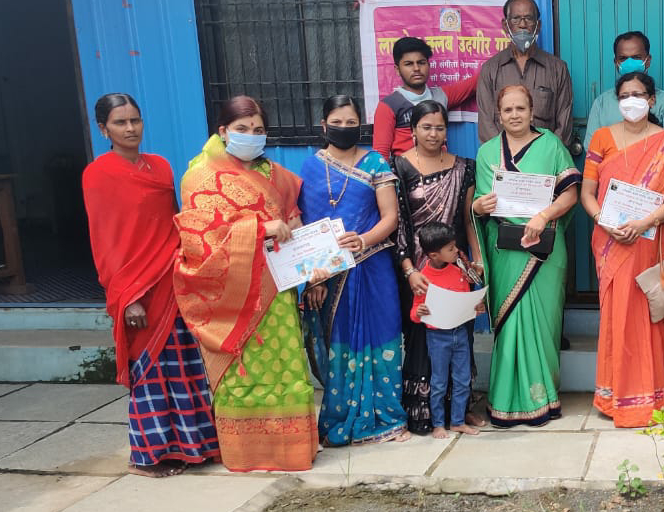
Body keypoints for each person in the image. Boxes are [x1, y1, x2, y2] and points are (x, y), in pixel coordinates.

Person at [173, 95, 319, 472]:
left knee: (286, 365)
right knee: (244, 369)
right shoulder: (200, 176)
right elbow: (199, 239)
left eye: (258, 130)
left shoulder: (275, 175)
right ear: (223, 131)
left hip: (277, 287)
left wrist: (308, 251)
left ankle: (290, 450)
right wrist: (259, 228)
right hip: (234, 296)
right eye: (242, 129)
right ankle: (246, 451)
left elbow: (293, 220)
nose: (251, 136)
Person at [82, 93, 219, 477]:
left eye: (135, 120)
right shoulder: (98, 174)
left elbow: (172, 221)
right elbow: (104, 239)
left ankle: (194, 446)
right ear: (103, 129)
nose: (130, 129)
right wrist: (128, 297)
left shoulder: (160, 166)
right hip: (137, 288)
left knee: (185, 365)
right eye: (120, 122)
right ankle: (148, 455)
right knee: (151, 372)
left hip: (172, 278)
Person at [581, 71, 664, 428]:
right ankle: (613, 394)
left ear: (652, 100)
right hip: (611, 238)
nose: (630, 101)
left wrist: (644, 221)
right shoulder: (603, 137)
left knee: (646, 313)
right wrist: (604, 222)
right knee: (616, 314)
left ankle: (647, 396)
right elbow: (587, 193)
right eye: (624, 96)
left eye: (638, 95)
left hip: (649, 240)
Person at [298, 94, 411, 447]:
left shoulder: (376, 162)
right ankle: (341, 416)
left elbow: (390, 217)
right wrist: (315, 278)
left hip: (373, 266)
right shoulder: (311, 168)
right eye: (337, 122)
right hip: (330, 275)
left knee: (382, 334)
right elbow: (306, 228)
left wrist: (362, 240)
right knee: (340, 342)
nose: (344, 128)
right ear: (323, 126)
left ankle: (386, 416)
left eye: (351, 123)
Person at [472, 84, 581, 426]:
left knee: (543, 324)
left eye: (521, 108)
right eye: (508, 110)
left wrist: (544, 216)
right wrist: (478, 206)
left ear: (532, 111)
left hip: (544, 249)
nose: (515, 115)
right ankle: (504, 400)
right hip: (505, 250)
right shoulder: (487, 152)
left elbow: (571, 194)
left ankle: (542, 399)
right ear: (498, 114)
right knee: (510, 323)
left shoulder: (551, 145)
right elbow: (478, 203)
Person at [395, 101, 481, 435]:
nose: (433, 134)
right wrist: (409, 270)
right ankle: (425, 414)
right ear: (413, 130)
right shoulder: (399, 167)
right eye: (426, 127)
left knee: (460, 337)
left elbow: (468, 220)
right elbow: (400, 226)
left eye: (440, 127)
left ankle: (459, 412)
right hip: (419, 271)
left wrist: (476, 260)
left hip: (455, 267)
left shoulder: (464, 167)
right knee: (423, 337)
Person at [408, 222, 484, 439]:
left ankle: (458, 421)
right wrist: (419, 312)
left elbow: (466, 302)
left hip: (460, 333)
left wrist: (477, 307)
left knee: (462, 380)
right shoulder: (424, 278)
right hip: (437, 336)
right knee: (439, 382)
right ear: (434, 254)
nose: (456, 251)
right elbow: (414, 312)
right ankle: (438, 423)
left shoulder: (459, 271)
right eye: (450, 249)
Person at [476, 0, 574, 146]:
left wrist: (546, 154)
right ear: (505, 25)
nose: (522, 25)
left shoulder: (557, 69)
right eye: (516, 19)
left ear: (538, 25)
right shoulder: (490, 70)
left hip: (545, 157)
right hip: (503, 158)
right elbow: (486, 125)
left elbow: (564, 124)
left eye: (528, 18)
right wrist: (508, 155)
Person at [372, 37, 479, 161]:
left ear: (428, 65)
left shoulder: (441, 96)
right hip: (405, 171)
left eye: (421, 62)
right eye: (409, 64)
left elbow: (478, 81)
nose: (416, 68)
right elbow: (380, 156)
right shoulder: (388, 105)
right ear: (397, 69)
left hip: (441, 168)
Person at [584, 31, 664, 144]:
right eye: (623, 58)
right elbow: (592, 146)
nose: (629, 62)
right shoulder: (602, 103)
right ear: (616, 63)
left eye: (636, 57)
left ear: (648, 61)